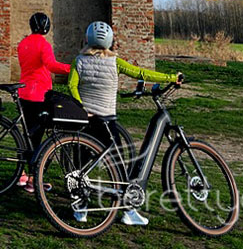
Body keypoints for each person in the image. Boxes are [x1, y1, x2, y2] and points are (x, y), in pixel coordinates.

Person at [68, 21, 183, 226]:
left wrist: (81, 107)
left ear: (87, 39)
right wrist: (170, 77)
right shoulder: (115, 62)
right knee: (118, 166)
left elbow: (71, 85)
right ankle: (128, 211)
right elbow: (141, 73)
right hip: (106, 120)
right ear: (110, 41)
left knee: (81, 165)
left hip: (85, 120)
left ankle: (81, 208)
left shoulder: (78, 61)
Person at [16, 12, 71, 193]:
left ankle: (22, 174)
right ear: (46, 27)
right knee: (40, 140)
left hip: (24, 93)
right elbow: (51, 65)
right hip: (39, 95)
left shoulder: (23, 43)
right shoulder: (43, 44)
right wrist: (71, 68)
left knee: (27, 136)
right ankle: (34, 179)